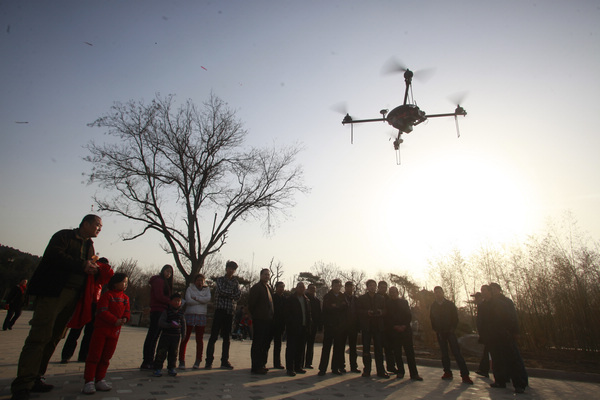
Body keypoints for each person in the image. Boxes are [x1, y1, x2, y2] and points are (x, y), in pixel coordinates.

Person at [11, 214, 102, 400]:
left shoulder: (90, 245)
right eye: (97, 225)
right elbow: (55, 256)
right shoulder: (64, 236)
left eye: (101, 227)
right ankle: (22, 383)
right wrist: (82, 265)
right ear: (85, 223)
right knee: (40, 336)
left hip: (75, 296)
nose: (99, 229)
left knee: (55, 336)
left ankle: (37, 376)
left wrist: (94, 268)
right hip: (55, 291)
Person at [82, 273, 130, 394]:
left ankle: (100, 379)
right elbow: (102, 311)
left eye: (126, 283)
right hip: (102, 330)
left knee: (106, 356)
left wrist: (125, 318)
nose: (125, 285)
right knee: (95, 355)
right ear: (115, 282)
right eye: (123, 282)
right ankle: (89, 381)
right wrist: (115, 320)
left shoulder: (125, 298)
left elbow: (127, 312)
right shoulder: (107, 295)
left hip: (115, 332)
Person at [61, 257, 114, 363]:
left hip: (91, 303)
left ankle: (70, 355)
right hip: (86, 302)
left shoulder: (101, 277)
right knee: (83, 332)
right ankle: (80, 355)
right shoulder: (89, 274)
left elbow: (108, 271)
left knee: (82, 332)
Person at [488, 282, 528, 394]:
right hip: (494, 335)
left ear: (499, 290)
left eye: (495, 289)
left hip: (506, 334)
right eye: (491, 289)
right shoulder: (489, 303)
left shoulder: (506, 302)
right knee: (497, 359)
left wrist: (515, 332)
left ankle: (520, 383)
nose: (493, 291)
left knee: (513, 360)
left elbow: (513, 317)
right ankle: (500, 381)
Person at [429, 286, 473, 384]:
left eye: (439, 292)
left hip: (450, 332)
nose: (438, 294)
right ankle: (447, 372)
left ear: (443, 292)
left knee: (457, 353)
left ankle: (465, 375)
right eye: (436, 292)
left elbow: (455, 318)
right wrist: (436, 330)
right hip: (440, 332)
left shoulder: (449, 304)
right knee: (444, 354)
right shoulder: (433, 306)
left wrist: (452, 329)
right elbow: (432, 319)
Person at [205, 260, 241, 370]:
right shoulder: (220, 280)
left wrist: (230, 294)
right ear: (226, 268)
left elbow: (238, 295)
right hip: (220, 310)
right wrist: (231, 294)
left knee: (227, 338)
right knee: (213, 336)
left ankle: (224, 360)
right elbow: (221, 291)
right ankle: (209, 361)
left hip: (230, 312)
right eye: (229, 268)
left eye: (233, 269)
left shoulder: (236, 282)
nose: (231, 270)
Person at [140, 265, 174, 370]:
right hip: (158, 310)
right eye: (167, 271)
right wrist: (170, 301)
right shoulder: (159, 281)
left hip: (162, 310)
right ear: (162, 271)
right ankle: (147, 360)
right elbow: (159, 296)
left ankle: (150, 359)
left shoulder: (165, 282)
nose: (168, 274)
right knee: (153, 335)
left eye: (170, 272)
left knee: (155, 336)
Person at [387, 286, 422, 380]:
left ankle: (414, 373)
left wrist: (404, 325)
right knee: (397, 353)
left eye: (394, 292)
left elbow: (408, 315)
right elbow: (387, 318)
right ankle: (400, 371)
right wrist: (395, 326)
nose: (392, 294)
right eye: (391, 292)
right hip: (394, 331)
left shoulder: (404, 302)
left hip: (405, 330)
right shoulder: (387, 304)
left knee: (409, 352)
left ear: (397, 293)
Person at [356, 279, 389, 378]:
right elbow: (358, 311)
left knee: (379, 349)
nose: (372, 287)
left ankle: (380, 370)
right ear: (367, 287)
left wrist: (380, 312)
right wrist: (367, 312)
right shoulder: (362, 298)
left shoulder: (381, 298)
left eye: (374, 285)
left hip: (378, 326)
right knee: (366, 349)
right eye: (370, 285)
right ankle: (367, 370)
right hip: (367, 326)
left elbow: (385, 310)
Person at [179, 273, 211, 370]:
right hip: (190, 314)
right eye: (198, 280)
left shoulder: (207, 290)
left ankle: (198, 360)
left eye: (202, 280)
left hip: (201, 315)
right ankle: (181, 360)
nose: (200, 282)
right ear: (195, 281)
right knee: (185, 337)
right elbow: (188, 300)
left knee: (199, 339)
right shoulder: (190, 289)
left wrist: (196, 298)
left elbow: (207, 299)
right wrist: (201, 301)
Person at [318, 279, 348, 376]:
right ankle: (322, 369)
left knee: (338, 348)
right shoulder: (327, 296)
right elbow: (327, 308)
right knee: (326, 348)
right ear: (332, 286)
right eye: (335, 286)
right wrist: (337, 307)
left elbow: (345, 308)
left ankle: (335, 368)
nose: (337, 287)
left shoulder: (343, 296)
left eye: (339, 286)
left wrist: (336, 306)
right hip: (329, 326)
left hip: (340, 326)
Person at [153, 293, 186, 377]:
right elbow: (161, 322)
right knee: (161, 352)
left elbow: (183, 324)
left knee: (173, 353)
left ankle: (171, 368)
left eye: (179, 301)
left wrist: (183, 334)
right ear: (171, 302)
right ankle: (157, 368)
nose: (177, 302)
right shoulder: (166, 312)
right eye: (175, 301)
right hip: (166, 335)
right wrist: (169, 325)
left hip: (176, 336)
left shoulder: (181, 313)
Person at [248, 268, 274, 374]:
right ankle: (255, 366)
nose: (267, 276)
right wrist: (254, 316)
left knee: (265, 344)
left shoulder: (268, 287)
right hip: (259, 319)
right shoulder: (256, 287)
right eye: (265, 274)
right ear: (260, 275)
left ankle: (262, 364)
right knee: (257, 343)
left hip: (268, 319)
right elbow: (251, 304)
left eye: (268, 275)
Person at [284, 282, 311, 376]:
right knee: (291, 348)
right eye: (300, 287)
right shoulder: (291, 299)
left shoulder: (306, 299)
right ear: (296, 288)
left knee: (301, 348)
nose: (301, 289)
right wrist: (290, 324)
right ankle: (290, 368)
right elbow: (287, 314)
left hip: (303, 327)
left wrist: (308, 325)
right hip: (293, 328)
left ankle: (298, 366)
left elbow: (308, 314)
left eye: (303, 287)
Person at [378, 280, 396, 374]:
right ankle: (380, 369)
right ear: (378, 287)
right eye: (382, 287)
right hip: (378, 326)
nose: (383, 289)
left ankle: (391, 366)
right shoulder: (375, 297)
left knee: (389, 348)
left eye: (385, 288)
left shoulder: (388, 298)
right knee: (379, 349)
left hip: (388, 326)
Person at [474, 286, 492, 378]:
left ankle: (484, 369)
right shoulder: (482, 305)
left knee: (489, 351)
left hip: (491, 332)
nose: (476, 300)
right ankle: (483, 369)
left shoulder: (487, 304)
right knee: (487, 351)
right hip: (486, 332)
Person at [343, 281, 360, 373]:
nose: (350, 288)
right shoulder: (341, 297)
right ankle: (341, 366)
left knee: (353, 348)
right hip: (343, 326)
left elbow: (358, 313)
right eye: (348, 287)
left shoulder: (356, 299)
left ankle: (354, 366)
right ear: (345, 288)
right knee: (341, 347)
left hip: (353, 326)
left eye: (351, 287)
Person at [304, 283, 322, 369]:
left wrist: (319, 326)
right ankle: (300, 362)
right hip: (304, 325)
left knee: (310, 345)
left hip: (313, 325)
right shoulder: (304, 298)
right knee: (302, 344)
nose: (313, 290)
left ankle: (308, 362)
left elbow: (319, 314)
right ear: (307, 289)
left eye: (314, 289)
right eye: (311, 288)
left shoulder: (317, 301)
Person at [271, 281, 287, 369]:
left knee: (278, 344)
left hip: (280, 324)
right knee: (266, 344)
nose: (281, 289)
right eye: (280, 287)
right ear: (276, 288)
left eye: (283, 287)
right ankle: (262, 362)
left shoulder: (285, 299)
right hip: (271, 323)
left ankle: (277, 363)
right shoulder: (272, 297)